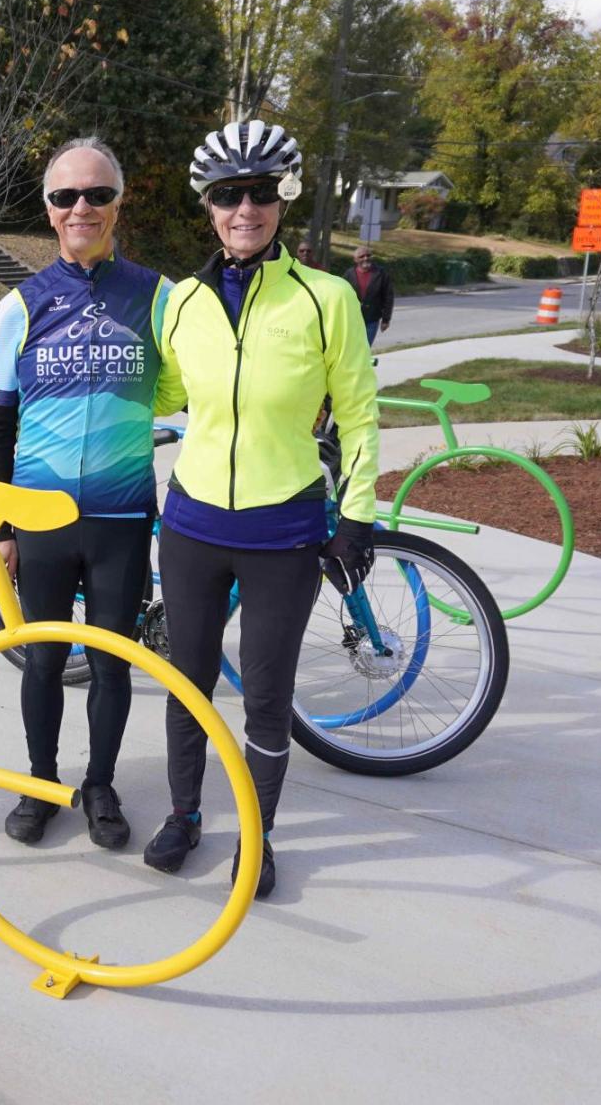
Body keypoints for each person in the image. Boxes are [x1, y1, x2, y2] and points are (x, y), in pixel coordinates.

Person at [143, 120, 379, 898]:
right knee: (189, 680)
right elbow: (169, 395)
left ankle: (260, 832)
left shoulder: (327, 299)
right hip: (193, 525)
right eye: (226, 195)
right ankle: (184, 814)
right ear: (207, 207)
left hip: (282, 528)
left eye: (260, 192)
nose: (244, 209)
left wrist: (358, 516)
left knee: (269, 696)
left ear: (285, 198)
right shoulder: (179, 302)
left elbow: (360, 413)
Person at [0, 136, 179, 850]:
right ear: (48, 209)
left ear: (118, 204)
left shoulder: (157, 297)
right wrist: (0, 523)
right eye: (66, 196)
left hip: (121, 516)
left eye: (97, 194)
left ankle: (99, 783)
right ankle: (40, 781)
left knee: (110, 660)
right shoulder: (20, 306)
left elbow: (197, 382)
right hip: (39, 518)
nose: (81, 208)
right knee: (40, 660)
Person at [345, 246, 394, 343]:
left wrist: (386, 320)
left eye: (368, 255)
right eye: (361, 256)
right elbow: (342, 296)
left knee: (366, 347)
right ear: (355, 260)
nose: (365, 258)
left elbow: (388, 297)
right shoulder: (349, 274)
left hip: (372, 319)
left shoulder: (381, 273)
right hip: (353, 318)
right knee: (352, 347)